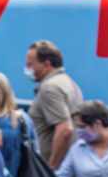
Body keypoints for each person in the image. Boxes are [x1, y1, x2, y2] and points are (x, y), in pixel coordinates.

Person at [25, 39, 82, 169]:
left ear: (47, 64)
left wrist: (51, 169)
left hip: (56, 174)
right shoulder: (69, 83)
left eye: (30, 65)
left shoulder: (50, 88)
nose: (27, 69)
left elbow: (65, 129)